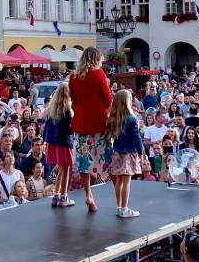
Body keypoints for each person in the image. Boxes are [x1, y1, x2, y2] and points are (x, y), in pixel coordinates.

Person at [68, 47, 113, 213]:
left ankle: (89, 195)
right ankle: (119, 196)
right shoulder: (99, 74)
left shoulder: (73, 77)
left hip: (81, 127)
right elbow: (108, 98)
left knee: (83, 161)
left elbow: (74, 101)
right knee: (107, 159)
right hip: (100, 125)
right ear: (96, 59)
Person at [107, 88, 143, 219]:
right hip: (129, 152)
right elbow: (136, 137)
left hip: (117, 152)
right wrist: (141, 152)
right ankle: (124, 208)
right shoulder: (132, 119)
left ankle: (119, 207)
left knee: (119, 180)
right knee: (126, 180)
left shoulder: (113, 118)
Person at [43, 82, 74, 208]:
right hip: (64, 141)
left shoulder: (52, 108)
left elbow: (47, 128)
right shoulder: (67, 110)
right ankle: (63, 197)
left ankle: (57, 195)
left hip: (53, 142)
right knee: (66, 168)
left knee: (62, 167)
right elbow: (72, 129)